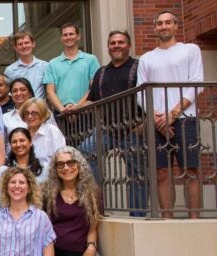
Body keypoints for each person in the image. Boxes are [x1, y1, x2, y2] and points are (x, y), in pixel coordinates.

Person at [137, 10, 204, 219]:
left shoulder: (190, 50)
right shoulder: (147, 58)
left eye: (168, 23)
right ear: (155, 28)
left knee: (190, 171)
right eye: (159, 23)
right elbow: (141, 92)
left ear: (176, 26)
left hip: (185, 119)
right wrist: (158, 117)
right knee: (162, 172)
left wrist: (172, 115)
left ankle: (194, 220)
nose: (164, 26)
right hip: (157, 123)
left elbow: (196, 84)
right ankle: (167, 219)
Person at [85, 30, 145, 217]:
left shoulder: (139, 67)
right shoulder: (101, 72)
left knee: (138, 174)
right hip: (106, 130)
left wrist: (143, 123)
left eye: (120, 42)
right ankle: (98, 210)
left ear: (129, 45)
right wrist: (71, 109)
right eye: (113, 43)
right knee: (84, 153)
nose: (116, 46)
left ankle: (138, 215)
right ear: (108, 47)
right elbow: (92, 99)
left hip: (133, 129)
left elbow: (151, 97)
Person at [43, 23, 100, 115]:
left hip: (85, 111)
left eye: (71, 34)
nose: (68, 37)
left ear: (78, 36)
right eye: (65, 35)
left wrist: (77, 106)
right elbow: (50, 91)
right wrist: (62, 109)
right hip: (60, 113)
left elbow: (94, 87)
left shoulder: (91, 60)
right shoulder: (52, 63)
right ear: (61, 38)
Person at [0, 128, 49, 210]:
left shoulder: (44, 169)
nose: (18, 144)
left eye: (22, 140)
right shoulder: (2, 172)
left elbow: (48, 201)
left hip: (38, 219)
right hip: (8, 220)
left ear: (30, 142)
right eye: (14, 142)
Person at [2, 78, 58, 151]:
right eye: (15, 91)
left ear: (30, 93)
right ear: (11, 95)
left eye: (23, 89)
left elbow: (54, 135)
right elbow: (3, 144)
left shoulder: (44, 111)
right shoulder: (5, 117)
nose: (18, 93)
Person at [21, 98, 65, 168]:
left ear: (42, 114)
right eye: (27, 113)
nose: (29, 116)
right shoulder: (22, 133)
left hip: (49, 174)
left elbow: (61, 157)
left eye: (34, 113)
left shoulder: (51, 131)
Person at [4, 31, 49, 99]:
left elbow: (50, 90)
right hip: (20, 108)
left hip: (40, 108)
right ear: (15, 47)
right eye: (20, 44)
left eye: (26, 43)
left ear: (33, 44)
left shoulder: (45, 66)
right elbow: (8, 93)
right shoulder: (10, 70)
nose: (24, 46)